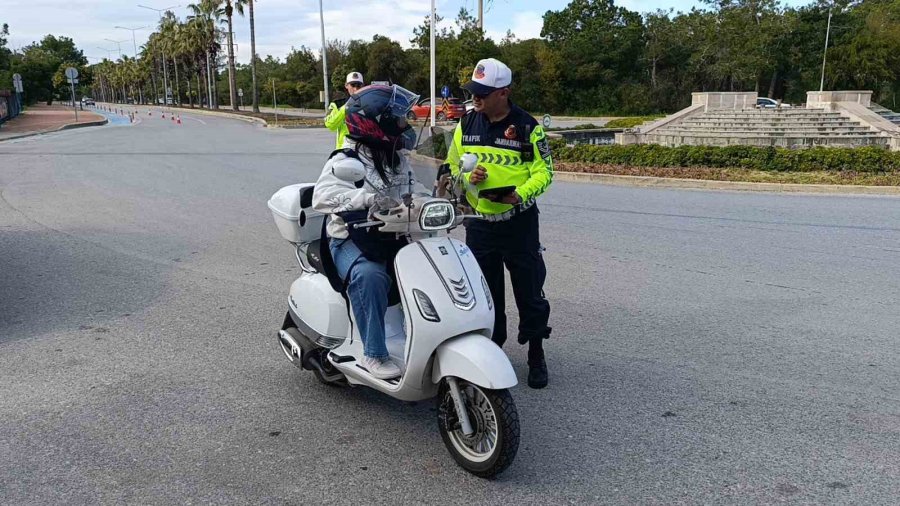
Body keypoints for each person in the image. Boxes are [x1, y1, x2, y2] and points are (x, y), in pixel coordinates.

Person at [444, 58, 554, 389]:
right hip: (480, 224)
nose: (475, 98)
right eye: (473, 92)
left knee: (530, 292)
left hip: (518, 223)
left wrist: (520, 194)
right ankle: (493, 352)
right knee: (486, 296)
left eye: (483, 93)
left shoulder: (527, 126)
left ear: (503, 93)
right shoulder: (466, 123)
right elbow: (450, 166)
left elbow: (545, 171)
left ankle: (536, 352)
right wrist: (465, 175)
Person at [312, 84, 426, 379]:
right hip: (349, 238)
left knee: (430, 266)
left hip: (390, 234)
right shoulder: (345, 159)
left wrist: (438, 198)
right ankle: (373, 354)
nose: (405, 125)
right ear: (376, 122)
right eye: (398, 119)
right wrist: (364, 199)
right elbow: (321, 197)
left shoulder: (396, 157)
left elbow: (416, 188)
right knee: (370, 276)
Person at [324, 72, 365, 149]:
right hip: (344, 151)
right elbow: (330, 125)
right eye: (352, 85)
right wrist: (345, 108)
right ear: (346, 85)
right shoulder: (337, 104)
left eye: (358, 85)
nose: (355, 89)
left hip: (364, 150)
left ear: (363, 86)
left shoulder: (368, 103)